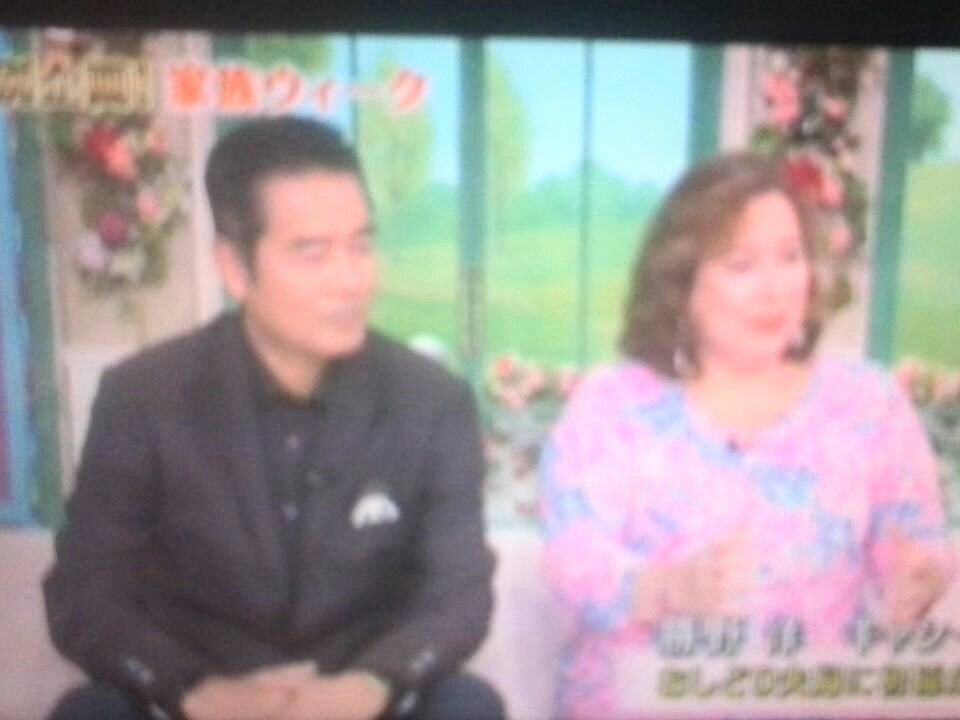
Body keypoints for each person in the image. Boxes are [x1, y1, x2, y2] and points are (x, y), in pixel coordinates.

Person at [44, 117, 503, 720]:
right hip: (204, 699)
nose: (350, 279)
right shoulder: (144, 398)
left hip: (359, 699)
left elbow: (459, 594)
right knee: (89, 712)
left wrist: (372, 683)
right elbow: (84, 595)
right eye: (313, 254)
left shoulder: (431, 401)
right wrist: (194, 691)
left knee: (469, 706)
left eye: (360, 246)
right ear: (235, 269)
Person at [539, 153, 956, 719]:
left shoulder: (867, 404)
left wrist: (919, 577)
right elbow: (574, 560)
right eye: (741, 265)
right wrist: (668, 588)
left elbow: (912, 541)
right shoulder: (614, 406)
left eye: (790, 257)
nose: (774, 288)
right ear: (681, 284)